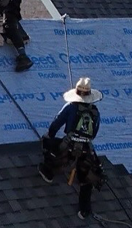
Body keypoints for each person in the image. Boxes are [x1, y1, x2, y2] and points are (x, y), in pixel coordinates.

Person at [39, 77, 106, 219]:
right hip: (86, 148)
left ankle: (48, 173)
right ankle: (84, 210)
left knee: (49, 146)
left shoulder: (70, 107)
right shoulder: (95, 111)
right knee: (87, 178)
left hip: (68, 145)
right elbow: (94, 132)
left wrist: (49, 135)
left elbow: (56, 123)